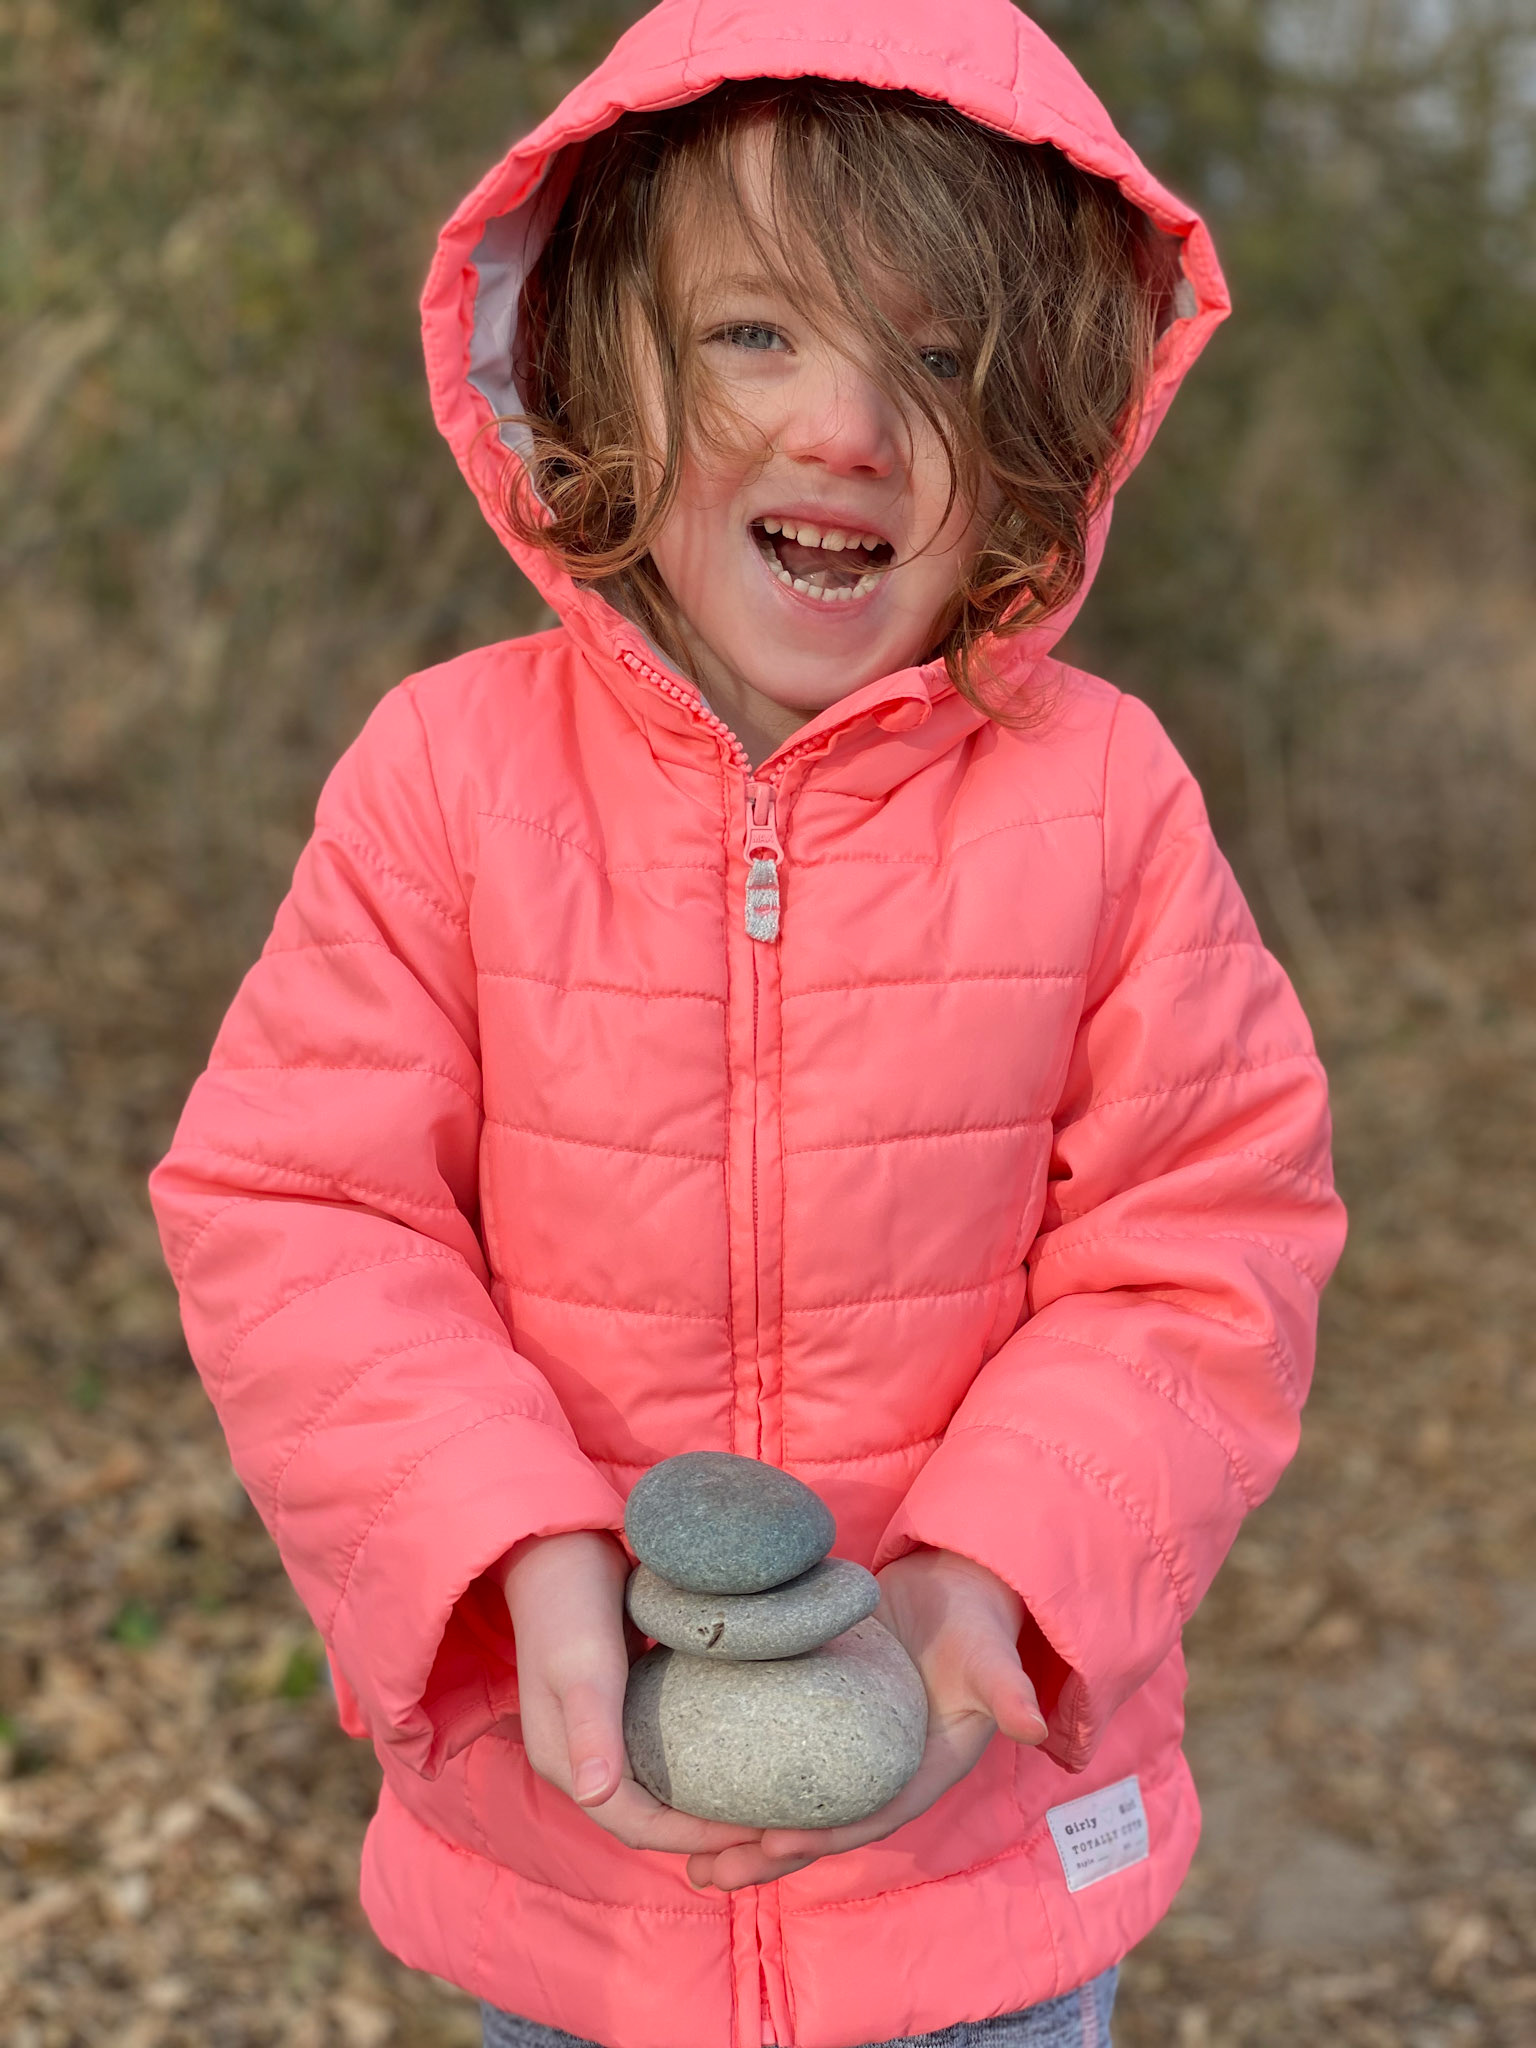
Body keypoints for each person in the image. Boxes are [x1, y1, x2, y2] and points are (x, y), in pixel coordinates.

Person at [148, 2, 1346, 2044]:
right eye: (757, 333)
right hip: (577, 1862)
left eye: (940, 361)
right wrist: (505, 1549)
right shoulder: (448, 776)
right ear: (596, 366)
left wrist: (993, 1582)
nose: (846, 428)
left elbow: (1205, 1240)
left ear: (1048, 425)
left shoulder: (1104, 797)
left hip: (969, 1862)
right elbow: (301, 1210)